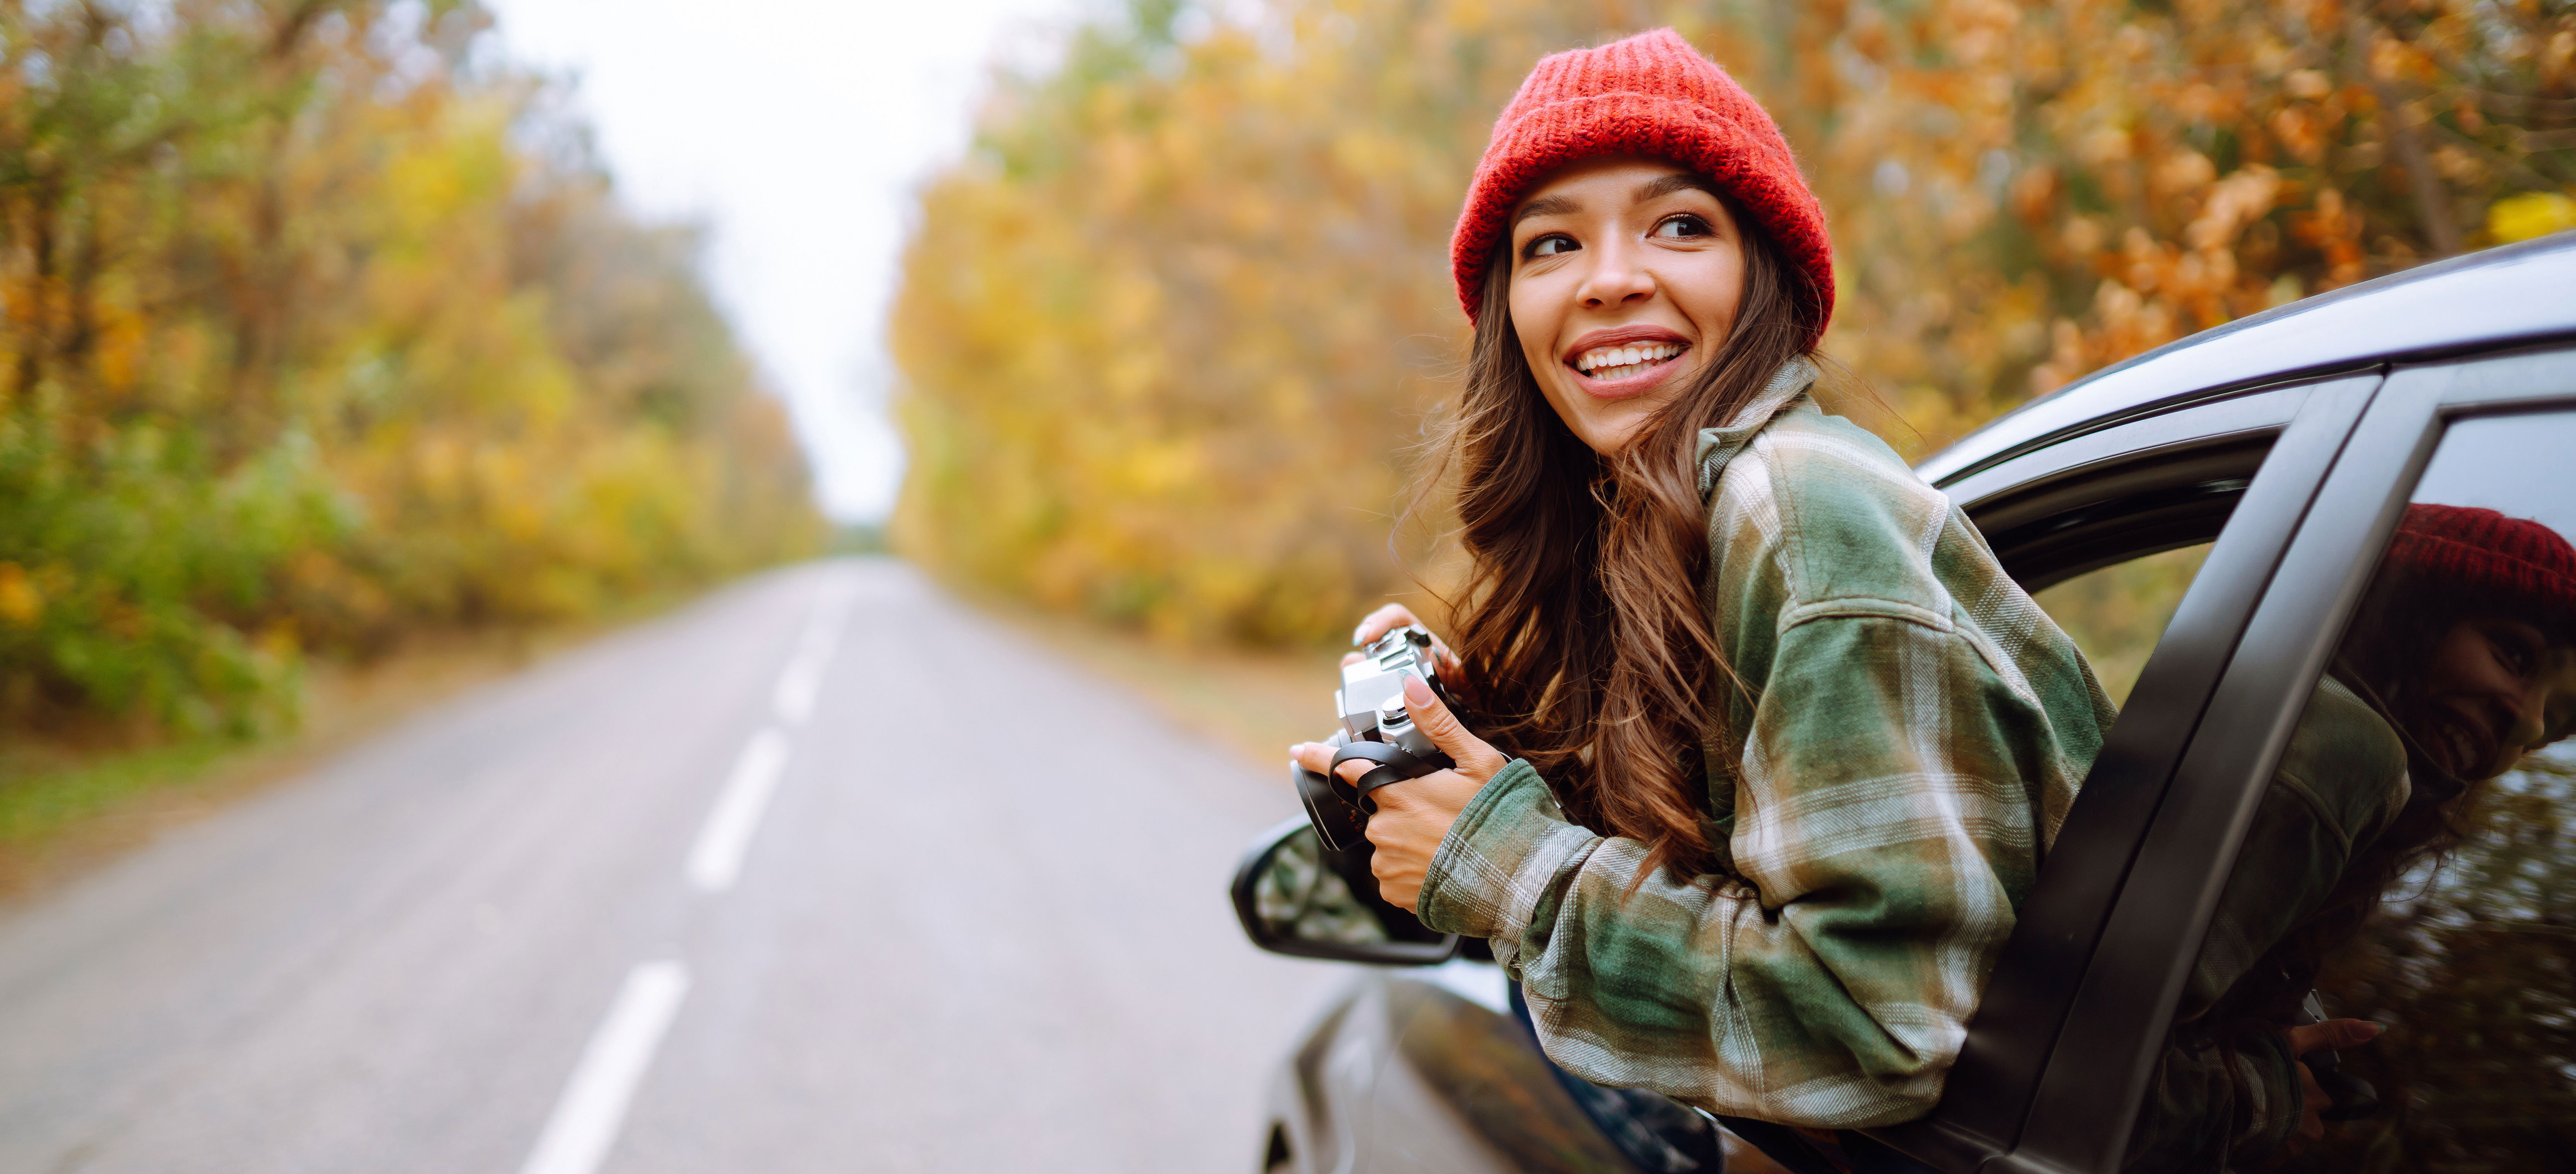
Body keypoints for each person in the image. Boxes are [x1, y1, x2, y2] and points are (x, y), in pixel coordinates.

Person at [1286, 29, 2117, 1167]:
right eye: (1551, 242)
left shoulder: (1803, 508)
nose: (1610, 275)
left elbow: (1880, 1025)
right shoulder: (1670, 539)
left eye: (1680, 224)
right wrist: (1490, 751)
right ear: (1510, 314)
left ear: (1763, 273)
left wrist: (1512, 865)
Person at [2132, 503, 2576, 1168]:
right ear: (2413, 609)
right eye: (2512, 653)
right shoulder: (2348, 751)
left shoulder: (2279, 724)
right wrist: (2265, 1098)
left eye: (2561, 717)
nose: (2529, 723)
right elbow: (2083, 1065)